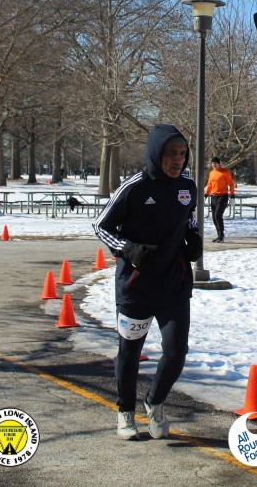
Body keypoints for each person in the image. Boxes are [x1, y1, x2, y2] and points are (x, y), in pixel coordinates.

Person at [94, 124, 201, 441]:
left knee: (176, 352)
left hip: (174, 285)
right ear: (156, 154)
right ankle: (125, 411)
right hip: (136, 287)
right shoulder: (134, 188)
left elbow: (188, 217)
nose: (178, 160)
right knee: (129, 354)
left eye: (182, 154)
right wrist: (128, 249)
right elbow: (100, 226)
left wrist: (193, 237)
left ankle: (154, 403)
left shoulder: (187, 187)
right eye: (171, 154)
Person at [204, 156, 235, 243]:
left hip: (222, 196)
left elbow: (231, 184)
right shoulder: (211, 173)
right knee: (214, 218)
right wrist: (205, 195)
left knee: (218, 215)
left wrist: (232, 196)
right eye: (212, 163)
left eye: (215, 163)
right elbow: (209, 185)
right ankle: (219, 236)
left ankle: (221, 236)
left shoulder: (225, 172)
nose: (213, 165)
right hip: (213, 197)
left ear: (219, 164)